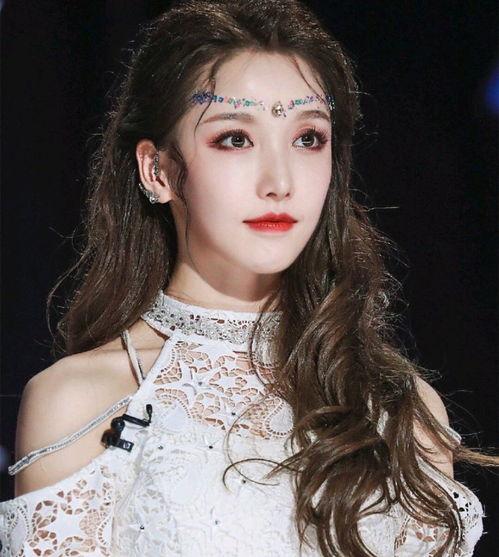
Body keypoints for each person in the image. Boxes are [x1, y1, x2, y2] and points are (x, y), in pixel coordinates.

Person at [0, 1, 496, 555]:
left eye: (308, 138)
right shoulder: (80, 401)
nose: (279, 181)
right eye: (235, 138)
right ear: (157, 170)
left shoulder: (401, 410)